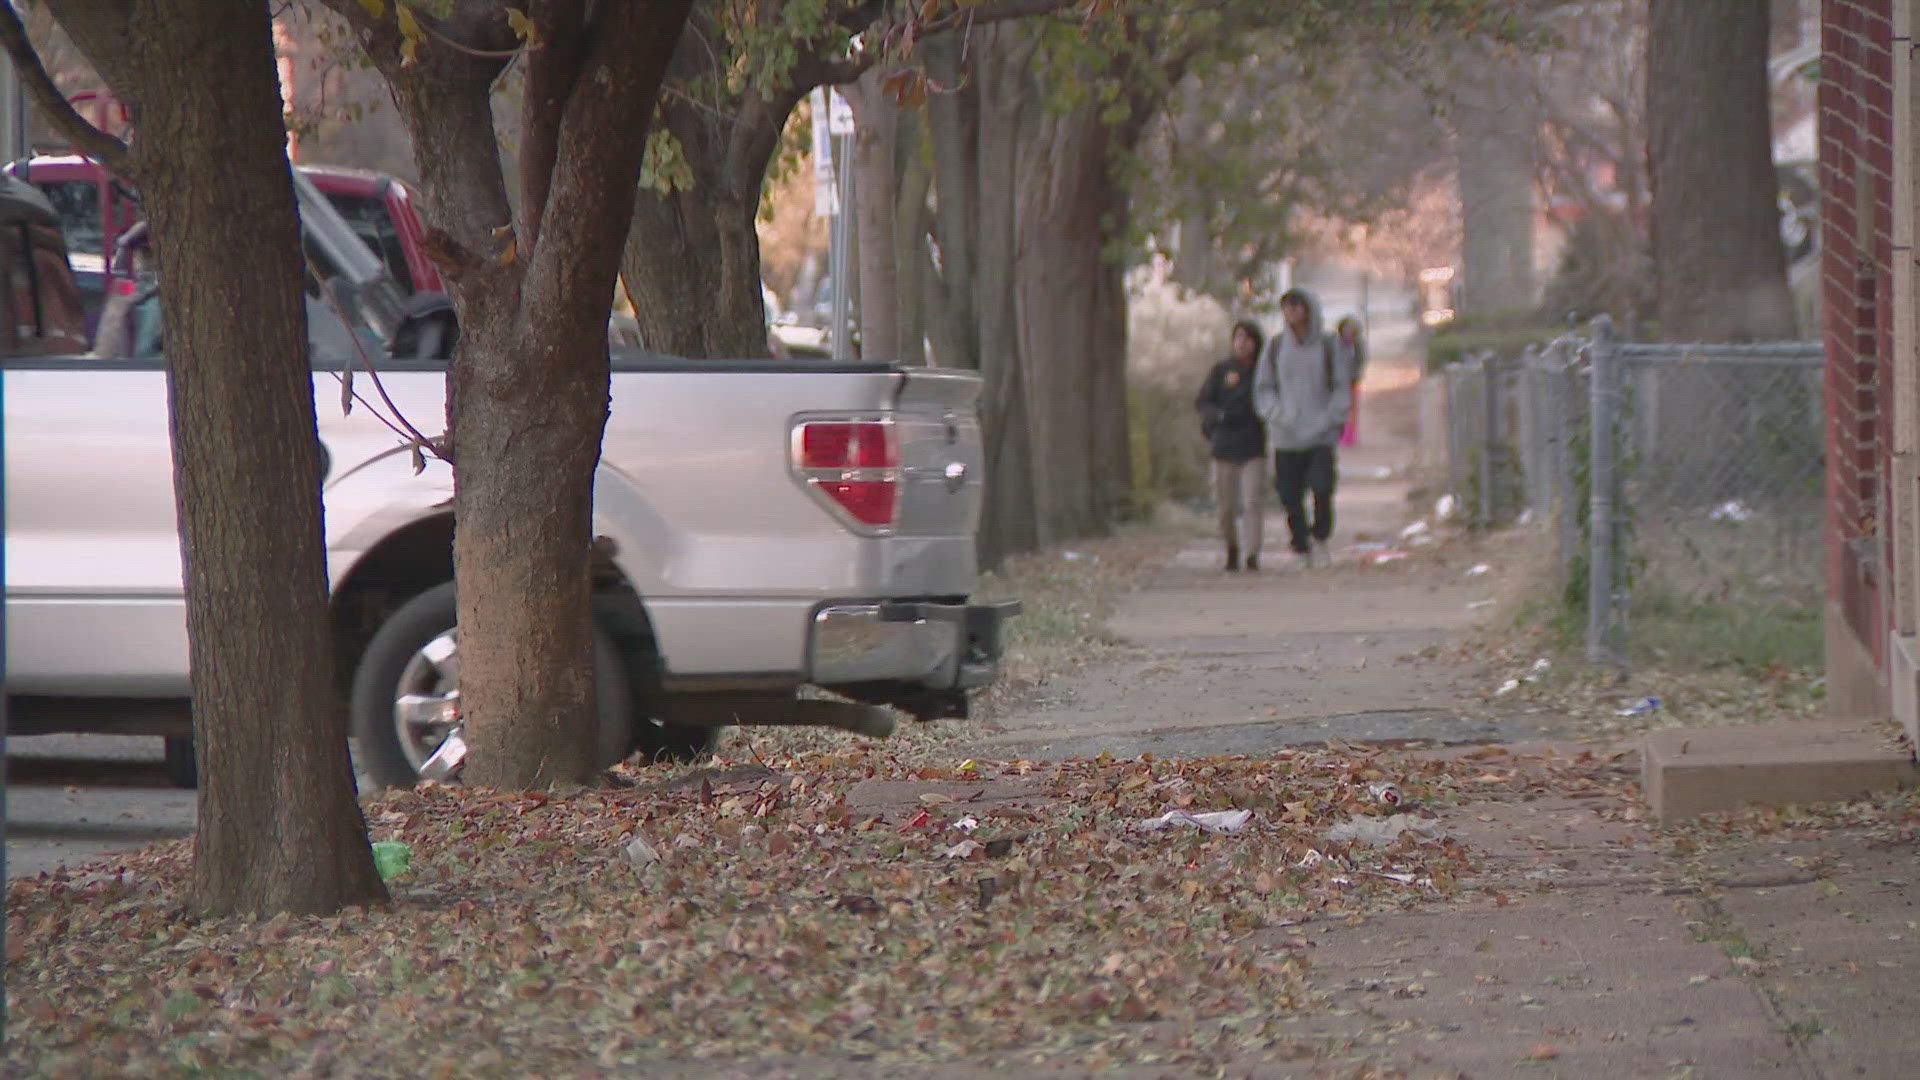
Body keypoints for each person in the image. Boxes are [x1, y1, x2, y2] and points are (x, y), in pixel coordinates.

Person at [1254, 288, 1351, 568]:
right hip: (1286, 435)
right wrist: (1276, 413)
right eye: (1288, 307)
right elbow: (1265, 387)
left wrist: (1331, 417)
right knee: (1289, 494)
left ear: (1308, 308)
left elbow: (1340, 386)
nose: (1293, 312)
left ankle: (1320, 539)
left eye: (1298, 306)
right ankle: (1300, 545)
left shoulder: (1327, 344)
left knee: (1322, 487)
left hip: (1320, 432)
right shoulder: (1275, 347)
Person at [1194, 319, 1267, 571]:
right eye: (1238, 337)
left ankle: (1252, 553)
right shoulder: (1222, 370)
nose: (1242, 343)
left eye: (1247, 338)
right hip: (1224, 446)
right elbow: (1203, 402)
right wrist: (1218, 416)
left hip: (1253, 447)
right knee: (1225, 508)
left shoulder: (1263, 371)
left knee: (1252, 503)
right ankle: (1231, 547)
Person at [1334, 315, 1366, 447]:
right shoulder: (1336, 345)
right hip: (1339, 382)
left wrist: (1353, 376)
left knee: (1352, 409)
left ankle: (1350, 435)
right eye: (1345, 331)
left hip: (1352, 381)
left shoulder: (1358, 346)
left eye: (1351, 332)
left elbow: (1360, 362)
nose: (1348, 335)